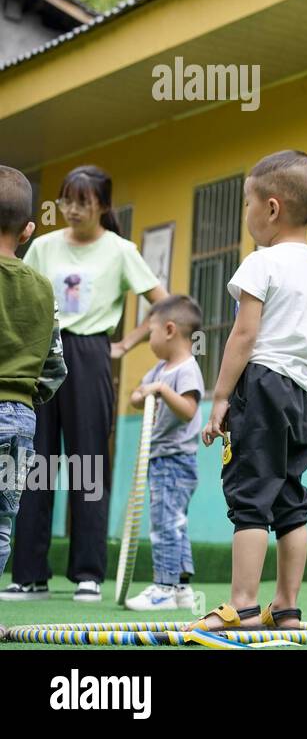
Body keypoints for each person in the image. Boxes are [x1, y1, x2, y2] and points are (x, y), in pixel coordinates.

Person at [2, 165, 166, 603]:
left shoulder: (121, 250)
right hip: (40, 352)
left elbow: (163, 304)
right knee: (34, 461)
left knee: (87, 460)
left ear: (103, 207)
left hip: (92, 355)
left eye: (83, 202)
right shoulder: (43, 246)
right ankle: (29, 573)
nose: (72, 210)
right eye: (67, 200)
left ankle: (88, 572)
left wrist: (124, 344)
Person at [190, 151, 307, 632]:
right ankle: (286, 607)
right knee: (290, 498)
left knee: (249, 496)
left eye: (247, 203)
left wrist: (220, 398)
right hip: (300, 394)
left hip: (262, 384)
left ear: (271, 209)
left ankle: (243, 605)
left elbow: (244, 336)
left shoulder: (261, 262)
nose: (245, 214)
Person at [0, 166, 67, 579]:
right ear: (27, 231)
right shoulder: (43, 287)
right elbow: (55, 366)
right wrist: (26, 396)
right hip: (18, 418)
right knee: (1, 521)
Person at [125, 295, 206, 611]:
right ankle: (182, 587)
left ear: (170, 329)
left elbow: (188, 409)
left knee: (165, 522)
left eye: (152, 332)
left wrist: (161, 391)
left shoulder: (187, 369)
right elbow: (136, 396)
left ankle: (164, 586)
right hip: (159, 457)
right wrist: (142, 393)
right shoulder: (159, 369)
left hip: (176, 459)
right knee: (175, 521)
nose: (149, 340)